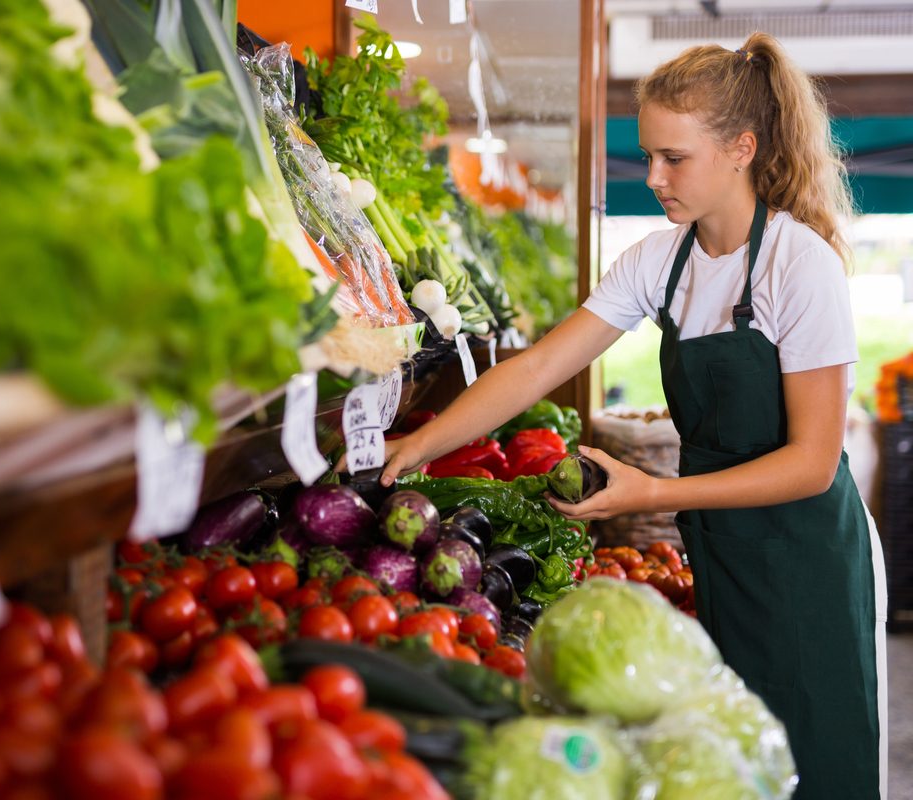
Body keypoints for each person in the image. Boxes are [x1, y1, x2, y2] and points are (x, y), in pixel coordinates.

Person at [380, 32, 888, 800]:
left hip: (806, 558)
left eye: (672, 158)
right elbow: (542, 366)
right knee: (724, 759)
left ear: (742, 148)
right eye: (648, 154)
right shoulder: (661, 260)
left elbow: (812, 463)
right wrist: (419, 444)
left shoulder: (798, 264)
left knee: (816, 760)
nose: (652, 176)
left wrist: (651, 495)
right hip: (720, 549)